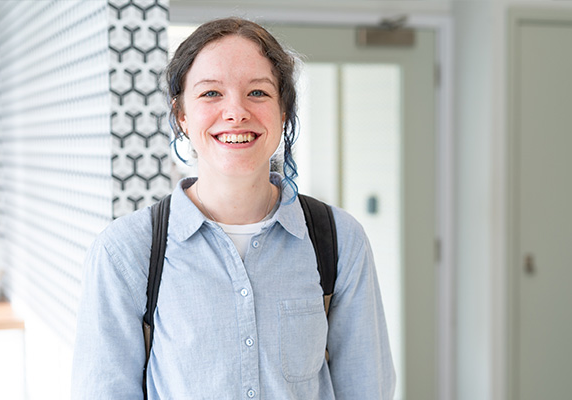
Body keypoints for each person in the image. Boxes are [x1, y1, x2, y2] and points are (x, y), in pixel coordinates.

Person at [71, 17, 395, 399]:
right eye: (211, 93)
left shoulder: (339, 240)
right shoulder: (125, 251)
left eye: (257, 92)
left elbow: (366, 389)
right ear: (181, 115)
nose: (236, 111)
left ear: (283, 111)